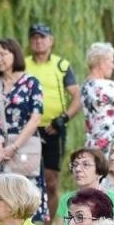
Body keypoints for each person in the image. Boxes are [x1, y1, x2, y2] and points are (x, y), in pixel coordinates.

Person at [24, 24, 79, 215]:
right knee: (25, 177)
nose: (38, 41)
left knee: (51, 180)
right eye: (34, 37)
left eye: (42, 37)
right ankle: (26, 220)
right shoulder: (22, 65)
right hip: (27, 130)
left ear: (51, 40)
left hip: (52, 129)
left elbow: (77, 97)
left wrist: (63, 119)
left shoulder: (61, 65)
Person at [0, 37, 45, 182]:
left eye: (3, 54)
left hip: (23, 147)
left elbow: (35, 118)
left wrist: (14, 146)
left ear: (15, 55)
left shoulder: (31, 83)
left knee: (26, 194)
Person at [53, 148, 114, 225]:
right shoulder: (66, 199)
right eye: (75, 165)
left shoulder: (113, 199)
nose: (77, 169)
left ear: (99, 172)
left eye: (85, 164)